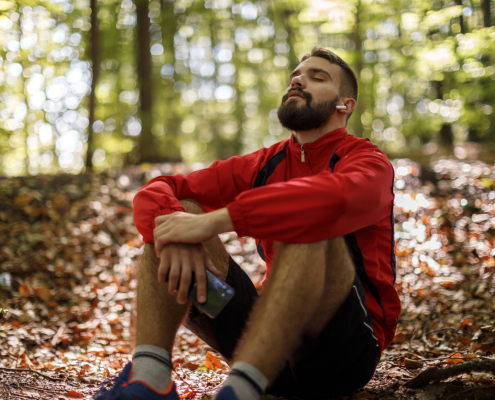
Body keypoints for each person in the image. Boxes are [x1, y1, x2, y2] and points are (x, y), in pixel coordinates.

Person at [95, 47, 401, 400]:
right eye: (295, 77)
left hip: (343, 353)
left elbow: (338, 198)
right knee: (178, 214)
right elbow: (162, 188)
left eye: (317, 77)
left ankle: (241, 391)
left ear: (344, 105)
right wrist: (175, 229)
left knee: (309, 221)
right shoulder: (265, 163)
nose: (298, 80)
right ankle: (149, 379)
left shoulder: (366, 159)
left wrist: (217, 221)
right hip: (265, 346)